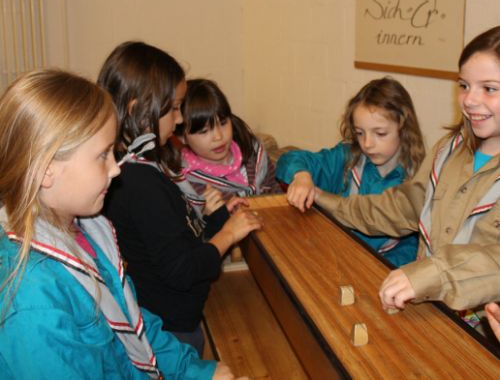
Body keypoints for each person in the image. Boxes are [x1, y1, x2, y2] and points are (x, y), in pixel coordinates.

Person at [0, 69, 240, 379]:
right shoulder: (31, 298)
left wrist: (194, 371)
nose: (116, 170)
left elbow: (131, 321)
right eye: (102, 156)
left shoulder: (88, 230)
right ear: (46, 169)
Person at [310, 26, 500, 316]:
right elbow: (401, 207)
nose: (470, 100)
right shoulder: (448, 150)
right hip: (432, 310)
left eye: (489, 88)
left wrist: (429, 275)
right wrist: (323, 199)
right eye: (464, 85)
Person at [99, 42, 263, 357]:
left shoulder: (143, 167)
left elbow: (179, 237)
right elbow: (184, 270)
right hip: (172, 333)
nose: (178, 120)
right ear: (138, 110)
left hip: (175, 322)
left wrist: (218, 218)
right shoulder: (139, 183)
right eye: (174, 108)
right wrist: (228, 235)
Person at [276, 77, 425, 267]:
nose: (367, 144)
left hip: (375, 269)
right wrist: (301, 176)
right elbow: (289, 159)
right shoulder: (347, 158)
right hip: (327, 256)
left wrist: (373, 268)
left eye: (380, 133)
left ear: (404, 129)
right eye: (360, 133)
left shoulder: (418, 179)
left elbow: (411, 248)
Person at [176, 78, 282, 218]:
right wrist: (209, 217)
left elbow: (276, 191)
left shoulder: (253, 151)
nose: (218, 137)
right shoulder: (187, 183)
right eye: (204, 131)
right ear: (182, 137)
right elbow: (192, 229)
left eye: (223, 123)